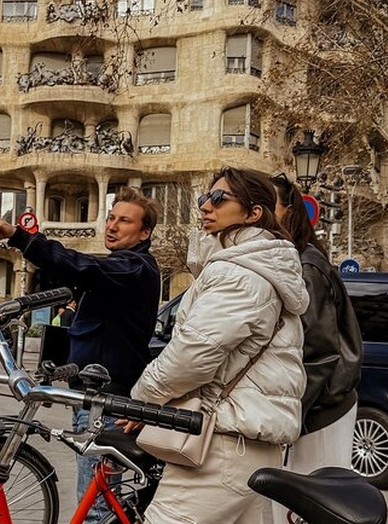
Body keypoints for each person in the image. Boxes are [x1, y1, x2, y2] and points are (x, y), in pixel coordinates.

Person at [124, 167, 309, 524]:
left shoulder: (240, 274)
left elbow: (193, 355)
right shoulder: (253, 267)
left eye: (220, 198)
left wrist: (141, 401)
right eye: (204, 197)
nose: (206, 205)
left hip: (220, 447)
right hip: (246, 444)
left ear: (254, 213)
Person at [0, 186, 161, 523]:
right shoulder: (122, 268)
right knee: (99, 498)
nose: (112, 225)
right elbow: (73, 271)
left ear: (144, 232)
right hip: (90, 395)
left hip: (106, 400)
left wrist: (20, 236)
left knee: (94, 508)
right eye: (111, 217)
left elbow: (83, 266)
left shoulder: (133, 267)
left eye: (124, 221)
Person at [269, 174, 363, 522]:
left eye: (267, 204)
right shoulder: (294, 259)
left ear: (290, 212)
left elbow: (318, 353)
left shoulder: (306, 266)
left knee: (302, 509)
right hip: (316, 407)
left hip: (320, 410)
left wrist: (287, 416)